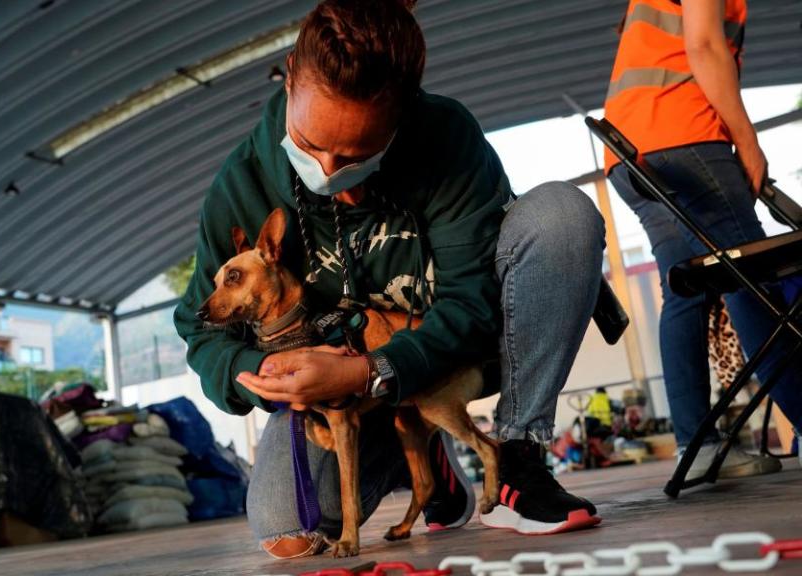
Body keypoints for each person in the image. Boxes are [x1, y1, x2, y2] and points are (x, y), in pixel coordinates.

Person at [174, 0, 606, 558]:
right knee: (286, 528)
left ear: (401, 117)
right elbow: (199, 327)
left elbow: (474, 304)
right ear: (288, 81)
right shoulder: (242, 183)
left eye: (358, 156)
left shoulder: (445, 140)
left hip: (453, 363)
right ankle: (430, 469)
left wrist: (371, 369)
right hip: (342, 397)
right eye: (310, 145)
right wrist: (260, 371)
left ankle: (517, 460)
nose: (331, 174)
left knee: (561, 217)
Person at [604, 0, 802, 479]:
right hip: (686, 138)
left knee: (685, 293)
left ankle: (696, 445)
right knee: (754, 286)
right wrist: (748, 142)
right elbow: (705, 46)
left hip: (632, 154)